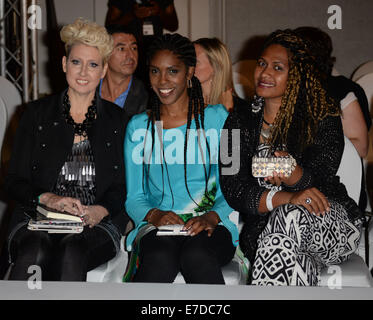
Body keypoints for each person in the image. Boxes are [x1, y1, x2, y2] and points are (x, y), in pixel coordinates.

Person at [220, 29, 363, 286]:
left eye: (277, 68)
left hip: (327, 221)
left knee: (289, 216)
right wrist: (286, 197)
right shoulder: (236, 122)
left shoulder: (323, 118)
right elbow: (233, 188)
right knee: (288, 253)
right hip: (270, 235)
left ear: (297, 75)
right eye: (262, 64)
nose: (264, 73)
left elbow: (320, 178)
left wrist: (292, 173)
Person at [4, 18, 129, 281]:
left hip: (96, 223)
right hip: (36, 219)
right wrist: (48, 198)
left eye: (93, 64)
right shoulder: (35, 115)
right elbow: (12, 181)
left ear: (104, 70)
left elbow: (123, 185)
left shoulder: (119, 121)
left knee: (72, 250)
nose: (83, 72)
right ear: (64, 64)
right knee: (34, 251)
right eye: (76, 62)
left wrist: (100, 210)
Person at [124, 33, 238, 284]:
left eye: (172, 71)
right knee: (160, 257)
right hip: (156, 227)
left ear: (189, 73)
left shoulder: (222, 120)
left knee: (196, 254)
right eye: (155, 71)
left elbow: (234, 186)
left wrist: (211, 216)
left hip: (212, 225)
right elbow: (134, 198)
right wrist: (154, 215)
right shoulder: (138, 127)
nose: (162, 80)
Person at [295, 26, 371, 158]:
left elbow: (361, 147)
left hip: (335, 169)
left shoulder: (341, 89)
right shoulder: (284, 89)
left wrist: (311, 149)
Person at [100, 24, 148, 118]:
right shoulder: (89, 88)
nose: (131, 55)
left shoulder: (147, 95)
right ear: (105, 54)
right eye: (122, 49)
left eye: (134, 48)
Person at [193, 37, 248, 112]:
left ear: (216, 66)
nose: (187, 65)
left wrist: (226, 111)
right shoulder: (183, 101)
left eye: (195, 61)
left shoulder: (241, 108)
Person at [105, 0, 178, 40]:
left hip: (155, 49)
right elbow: (109, 27)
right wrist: (132, 15)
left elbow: (173, 26)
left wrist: (159, 12)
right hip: (129, 49)